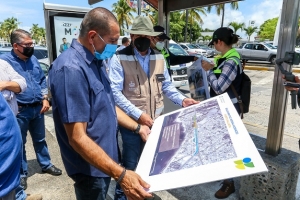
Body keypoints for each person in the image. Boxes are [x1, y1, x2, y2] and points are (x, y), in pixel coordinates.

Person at [49, 7, 153, 200]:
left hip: (105, 161)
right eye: (113, 41)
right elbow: (77, 138)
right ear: (92, 36)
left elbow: (108, 105)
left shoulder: (96, 62)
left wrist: (137, 126)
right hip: (90, 170)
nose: (115, 46)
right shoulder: (70, 69)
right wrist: (122, 175)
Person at [108, 16, 199, 200]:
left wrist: (182, 100)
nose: (144, 40)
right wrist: (139, 115)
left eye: (148, 37)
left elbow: (166, 86)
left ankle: (143, 195)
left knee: (151, 165)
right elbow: (115, 93)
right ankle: (122, 196)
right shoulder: (119, 57)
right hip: (132, 125)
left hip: (157, 124)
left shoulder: (158, 56)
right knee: (130, 167)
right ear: (132, 36)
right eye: (139, 36)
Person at [0, 29, 62, 192]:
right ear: (15, 46)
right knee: (19, 144)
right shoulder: (5, 63)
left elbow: (41, 79)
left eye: (31, 43)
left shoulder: (33, 59)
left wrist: (44, 98)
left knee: (40, 140)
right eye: (27, 44)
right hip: (19, 111)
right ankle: (21, 174)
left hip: (37, 108)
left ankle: (46, 164)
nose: (31, 47)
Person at [202, 27, 243, 199]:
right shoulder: (224, 58)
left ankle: (229, 183)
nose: (214, 47)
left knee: (227, 147)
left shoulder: (232, 61)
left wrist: (209, 70)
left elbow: (219, 87)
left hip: (229, 110)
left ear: (219, 42)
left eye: (215, 43)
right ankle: (221, 175)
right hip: (220, 108)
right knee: (217, 144)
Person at [0, 61, 42, 200]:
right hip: (5, 130)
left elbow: (22, 84)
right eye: (27, 44)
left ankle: (18, 195)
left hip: (11, 124)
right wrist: (12, 87)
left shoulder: (2, 64)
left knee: (14, 157)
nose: (31, 46)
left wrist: (5, 85)